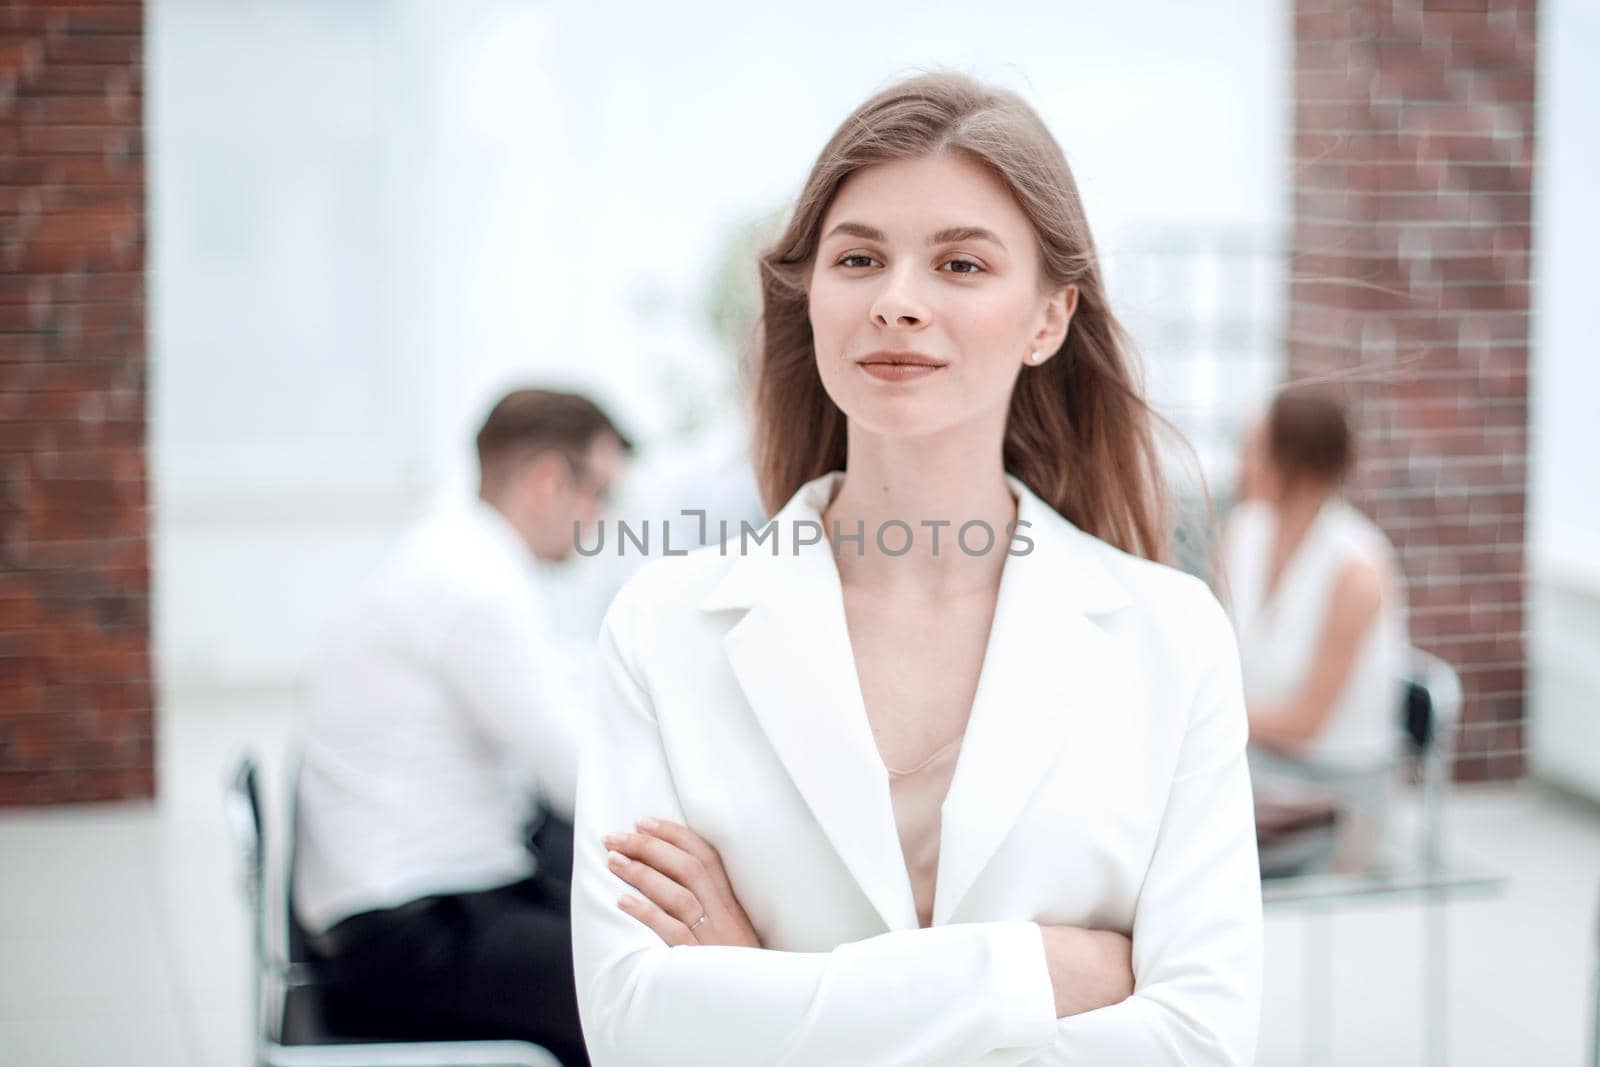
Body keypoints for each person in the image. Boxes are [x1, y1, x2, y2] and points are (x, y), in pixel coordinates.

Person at [570, 72, 1262, 1065]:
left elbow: (1201, 1039)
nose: (897, 302)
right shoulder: (663, 626)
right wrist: (1041, 976)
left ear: (1048, 317)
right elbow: (636, 1025)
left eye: (960, 265)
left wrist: (762, 979)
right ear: (812, 296)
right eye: (859, 258)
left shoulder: (1172, 634)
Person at [294, 388, 630, 1066]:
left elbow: (561, 681)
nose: (601, 518)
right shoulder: (476, 586)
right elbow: (578, 777)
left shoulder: (455, 553)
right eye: (600, 493)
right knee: (632, 988)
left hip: (407, 896)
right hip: (402, 932)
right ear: (547, 479)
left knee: (620, 913)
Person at [1219, 389, 1410, 874]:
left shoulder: (1357, 572)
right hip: (1254, 766)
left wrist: (1205, 715)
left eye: (1255, 448)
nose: (1241, 461)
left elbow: (1307, 723)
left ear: (1295, 463)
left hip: (1338, 795)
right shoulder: (1243, 532)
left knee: (1189, 842)